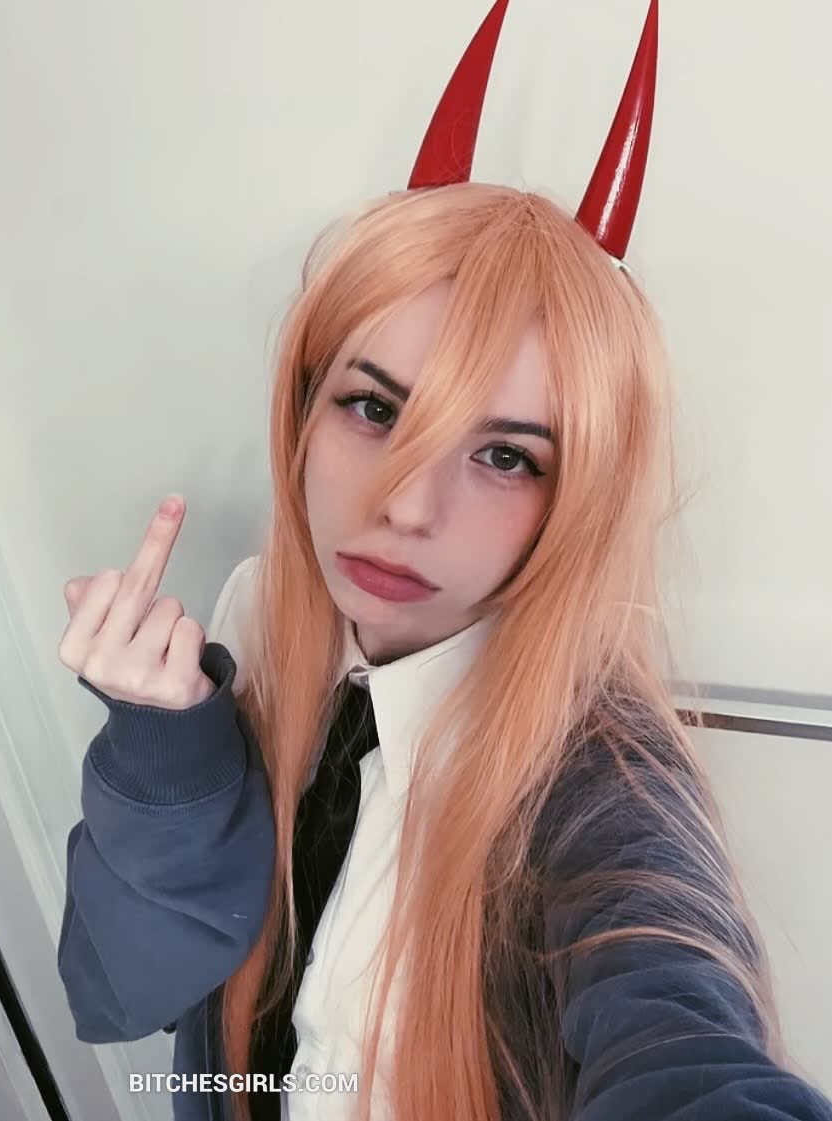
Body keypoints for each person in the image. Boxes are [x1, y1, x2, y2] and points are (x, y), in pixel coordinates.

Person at [56, 2, 832, 1120]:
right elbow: (122, 992)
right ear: (303, 406)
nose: (406, 505)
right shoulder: (261, 609)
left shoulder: (599, 782)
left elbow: (680, 1039)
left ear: (579, 496)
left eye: (506, 455)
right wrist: (164, 750)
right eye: (375, 407)